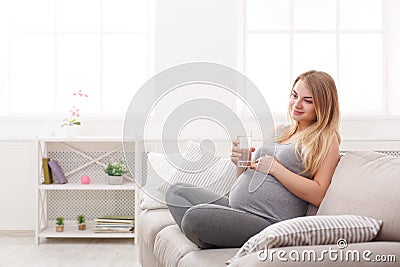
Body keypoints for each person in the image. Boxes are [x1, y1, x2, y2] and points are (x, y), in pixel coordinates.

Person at [166, 70, 341, 249]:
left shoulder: (326, 138)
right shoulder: (281, 130)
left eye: (308, 100)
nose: (297, 104)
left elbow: (319, 194)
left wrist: (276, 168)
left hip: (268, 222)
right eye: (294, 96)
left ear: (323, 105)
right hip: (236, 208)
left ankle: (213, 235)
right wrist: (241, 163)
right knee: (176, 192)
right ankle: (216, 237)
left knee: (194, 218)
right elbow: (248, 176)